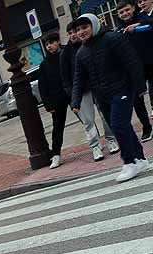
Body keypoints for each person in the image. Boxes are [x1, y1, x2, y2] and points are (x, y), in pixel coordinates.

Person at [70, 13, 149, 182]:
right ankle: (140, 159)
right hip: (102, 96)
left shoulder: (112, 38)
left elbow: (132, 61)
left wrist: (140, 86)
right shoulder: (81, 53)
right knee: (122, 126)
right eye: (78, 30)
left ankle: (129, 162)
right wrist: (75, 101)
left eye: (85, 27)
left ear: (94, 25)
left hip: (123, 89)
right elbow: (78, 78)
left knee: (118, 125)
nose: (81, 32)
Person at [63, 20, 120, 161]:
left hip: (98, 85)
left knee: (105, 114)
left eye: (75, 31)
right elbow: (65, 77)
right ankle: (95, 145)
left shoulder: (91, 43)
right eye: (70, 33)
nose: (74, 35)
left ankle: (111, 139)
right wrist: (73, 96)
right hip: (81, 91)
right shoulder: (65, 53)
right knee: (88, 120)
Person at [118, 0, 153, 140]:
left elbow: (150, 23)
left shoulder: (143, 17)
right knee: (137, 100)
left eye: (127, 10)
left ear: (133, 8)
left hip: (150, 63)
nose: (125, 13)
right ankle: (147, 126)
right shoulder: (119, 30)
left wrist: (138, 25)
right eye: (121, 12)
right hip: (133, 69)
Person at [38, 31, 72, 168]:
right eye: (46, 45)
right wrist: (47, 104)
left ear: (58, 41)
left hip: (72, 92)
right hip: (57, 99)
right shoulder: (44, 64)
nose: (49, 46)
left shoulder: (67, 54)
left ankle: (95, 145)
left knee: (86, 119)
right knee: (57, 127)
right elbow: (43, 86)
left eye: (51, 43)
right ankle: (56, 155)